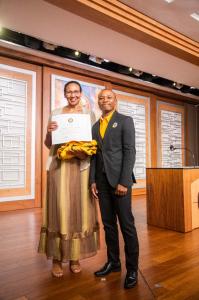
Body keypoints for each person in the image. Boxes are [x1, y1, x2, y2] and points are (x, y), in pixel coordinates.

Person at [38, 81, 99, 277]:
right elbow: (49, 144)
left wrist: (83, 152)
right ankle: (57, 259)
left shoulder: (89, 115)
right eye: (68, 92)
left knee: (78, 210)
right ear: (64, 94)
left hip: (80, 167)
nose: (72, 95)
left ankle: (74, 257)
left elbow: (93, 143)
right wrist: (49, 131)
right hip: (59, 167)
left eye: (75, 92)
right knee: (59, 209)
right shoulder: (56, 113)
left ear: (80, 93)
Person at [89, 89, 139, 289]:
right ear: (98, 102)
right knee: (108, 225)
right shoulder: (94, 127)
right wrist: (92, 180)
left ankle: (133, 269)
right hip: (101, 183)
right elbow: (94, 156)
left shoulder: (125, 121)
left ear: (115, 101)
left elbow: (130, 151)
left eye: (109, 97)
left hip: (120, 182)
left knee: (127, 226)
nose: (105, 100)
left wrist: (124, 181)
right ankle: (114, 262)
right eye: (101, 98)